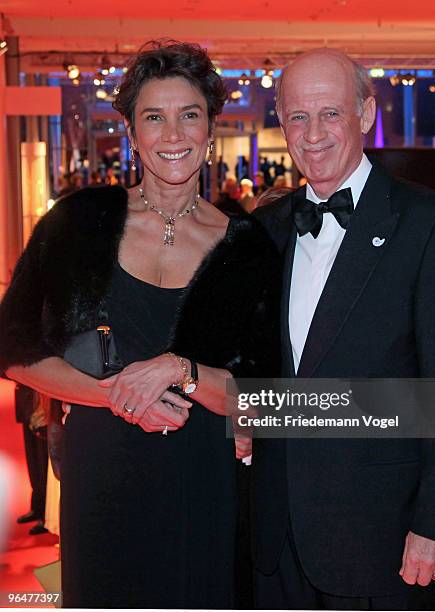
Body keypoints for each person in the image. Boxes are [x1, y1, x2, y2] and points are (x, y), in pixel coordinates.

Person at [0, 40, 280, 609]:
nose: (172, 135)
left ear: (209, 128)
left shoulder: (247, 246)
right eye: (154, 117)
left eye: (189, 116)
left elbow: (263, 397)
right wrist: (116, 397)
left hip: (204, 483)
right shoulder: (80, 223)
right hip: (102, 479)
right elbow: (14, 346)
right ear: (131, 131)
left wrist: (182, 372)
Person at [253, 48, 435, 610]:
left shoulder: (431, 225)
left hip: (387, 541)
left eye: (330, 113)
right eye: (298, 117)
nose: (313, 134)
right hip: (275, 540)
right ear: (281, 122)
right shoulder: (265, 229)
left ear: (367, 114)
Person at [14, 384, 48, 536]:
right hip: (28, 401)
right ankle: (37, 507)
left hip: (44, 403)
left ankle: (46, 515)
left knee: (44, 463)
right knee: (33, 462)